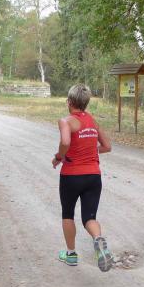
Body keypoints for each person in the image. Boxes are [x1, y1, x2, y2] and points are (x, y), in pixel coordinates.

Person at [52, 84, 114, 272]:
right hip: (93, 176)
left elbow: (65, 142)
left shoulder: (66, 121)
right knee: (89, 217)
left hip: (71, 176)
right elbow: (107, 146)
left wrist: (59, 157)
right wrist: (88, 151)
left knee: (68, 213)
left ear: (69, 102)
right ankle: (98, 240)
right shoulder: (92, 121)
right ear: (86, 103)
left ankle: (71, 255)